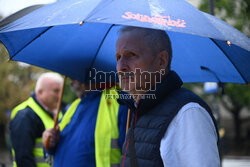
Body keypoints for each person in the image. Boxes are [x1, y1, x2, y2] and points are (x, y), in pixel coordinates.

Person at [115, 26, 220, 167]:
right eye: (118, 57)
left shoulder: (188, 114)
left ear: (161, 61)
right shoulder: (137, 109)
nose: (121, 66)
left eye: (132, 55)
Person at [42, 80, 128, 167]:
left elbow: (132, 156)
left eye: (76, 72)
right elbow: (51, 154)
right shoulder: (75, 105)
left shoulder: (121, 102)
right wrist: (49, 143)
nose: (71, 81)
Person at [10, 72, 64, 167]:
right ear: (40, 92)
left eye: (61, 91)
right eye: (56, 91)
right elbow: (23, 158)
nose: (60, 95)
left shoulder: (59, 113)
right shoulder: (25, 116)